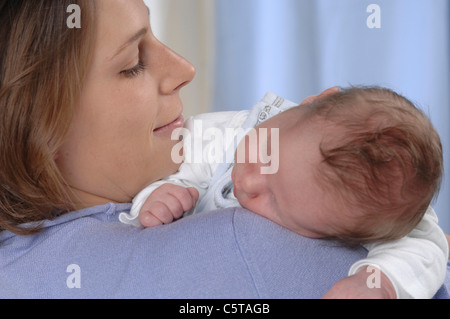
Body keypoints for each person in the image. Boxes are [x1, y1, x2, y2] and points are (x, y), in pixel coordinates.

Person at [0, 0, 448, 299]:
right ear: (36, 122)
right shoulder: (247, 244)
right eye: (133, 64)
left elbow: (420, 242)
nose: (185, 68)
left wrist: (386, 277)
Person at [122, 87, 449, 299]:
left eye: (276, 202)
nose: (249, 184)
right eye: (266, 153)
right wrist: (160, 195)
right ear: (312, 101)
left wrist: (378, 283)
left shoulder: (366, 210)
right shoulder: (223, 134)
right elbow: (167, 168)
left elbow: (425, 246)